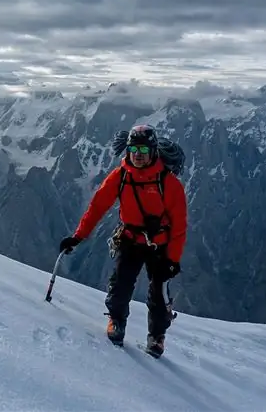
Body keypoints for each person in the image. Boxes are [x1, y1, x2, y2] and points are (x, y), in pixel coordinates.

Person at [59, 124, 187, 357]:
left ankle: (157, 337)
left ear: (153, 152)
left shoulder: (168, 183)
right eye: (133, 149)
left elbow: (179, 226)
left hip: (160, 246)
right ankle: (117, 322)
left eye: (144, 150)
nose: (138, 155)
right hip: (130, 240)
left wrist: (172, 260)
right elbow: (97, 207)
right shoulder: (120, 176)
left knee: (158, 293)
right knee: (120, 286)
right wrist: (78, 236)